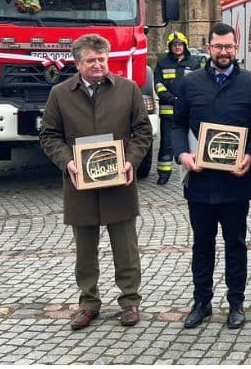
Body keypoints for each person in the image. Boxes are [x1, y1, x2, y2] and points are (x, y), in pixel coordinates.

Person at [39, 33, 152, 330]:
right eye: (91, 60)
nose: (98, 65)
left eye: (102, 59)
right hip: (80, 183)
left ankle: (130, 301)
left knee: (125, 247)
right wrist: (68, 162)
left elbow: (142, 131)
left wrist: (131, 160)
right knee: (85, 250)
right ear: (77, 63)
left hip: (119, 181)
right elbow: (49, 136)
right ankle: (88, 303)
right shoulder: (60, 94)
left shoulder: (128, 90)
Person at [170, 23, 251, 330]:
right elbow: (175, 126)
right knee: (202, 244)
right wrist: (183, 156)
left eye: (228, 47)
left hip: (236, 181)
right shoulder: (190, 83)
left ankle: (236, 302)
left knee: (236, 243)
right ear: (208, 47)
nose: (223, 52)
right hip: (200, 179)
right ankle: (202, 302)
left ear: (236, 48)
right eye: (217, 46)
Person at [154, 31, 202, 185]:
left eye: (180, 44)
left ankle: (194, 167)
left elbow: (200, 84)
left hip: (190, 111)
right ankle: (163, 173)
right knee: (166, 144)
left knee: (192, 141)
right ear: (170, 47)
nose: (177, 47)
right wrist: (172, 99)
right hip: (169, 110)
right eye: (174, 45)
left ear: (185, 45)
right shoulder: (162, 63)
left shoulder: (194, 62)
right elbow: (158, 85)